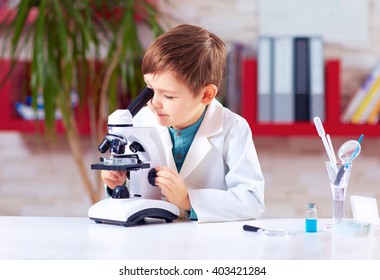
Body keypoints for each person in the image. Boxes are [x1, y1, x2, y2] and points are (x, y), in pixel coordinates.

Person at [101, 24, 265, 222]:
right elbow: (133, 193)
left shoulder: (233, 129)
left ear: (206, 94)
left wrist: (188, 200)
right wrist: (115, 185)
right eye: (150, 89)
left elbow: (252, 201)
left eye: (169, 96)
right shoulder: (141, 121)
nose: (154, 102)